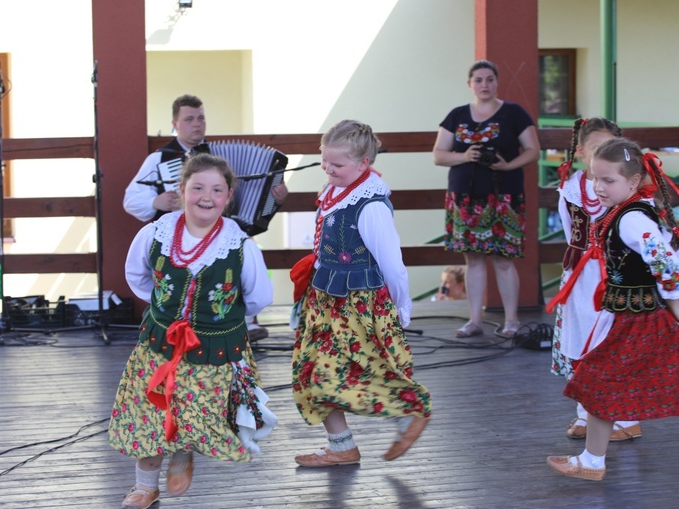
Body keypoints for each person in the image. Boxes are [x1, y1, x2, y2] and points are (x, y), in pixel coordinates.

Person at [110, 153, 277, 509]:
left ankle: (184, 452)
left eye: (217, 189)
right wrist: (165, 307)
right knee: (149, 413)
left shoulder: (241, 247)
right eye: (197, 187)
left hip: (211, 351)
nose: (206, 196)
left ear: (228, 196)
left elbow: (259, 296)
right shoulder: (155, 233)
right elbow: (137, 276)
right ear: (181, 189)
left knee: (195, 413)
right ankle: (144, 485)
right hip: (159, 346)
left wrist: (220, 318)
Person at [289, 119, 431, 467]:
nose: (328, 169)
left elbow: (392, 261)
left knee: (363, 367)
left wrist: (402, 303)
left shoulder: (370, 205)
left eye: (336, 164)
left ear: (364, 163)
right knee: (313, 371)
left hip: (357, 304)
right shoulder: (336, 191)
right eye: (325, 161)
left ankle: (406, 416)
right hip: (325, 300)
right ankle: (342, 445)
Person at [547, 138, 679, 481]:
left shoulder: (632, 219)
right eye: (595, 178)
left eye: (609, 180)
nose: (598, 187)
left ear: (633, 182)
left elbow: (667, 265)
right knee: (600, 385)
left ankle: (593, 461)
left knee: (597, 383)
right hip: (625, 316)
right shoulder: (623, 212)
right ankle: (592, 460)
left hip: (638, 321)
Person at [123, 93, 286, 341]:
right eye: (189, 119)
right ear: (175, 123)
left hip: (222, 232)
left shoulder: (218, 157)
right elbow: (131, 199)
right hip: (181, 235)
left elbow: (249, 200)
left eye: (201, 118)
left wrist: (275, 197)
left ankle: (242, 319)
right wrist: (155, 202)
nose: (197, 124)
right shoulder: (161, 159)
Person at [546, 117, 643, 442]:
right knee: (580, 340)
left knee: (615, 343)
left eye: (610, 147)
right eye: (596, 148)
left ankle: (627, 418)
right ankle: (587, 414)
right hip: (580, 276)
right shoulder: (571, 187)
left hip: (617, 276)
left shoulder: (629, 189)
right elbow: (570, 227)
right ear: (581, 152)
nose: (603, 153)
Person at [433, 59, 540, 339]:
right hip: (466, 198)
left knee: (504, 260)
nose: (484, 85)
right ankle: (475, 321)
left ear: (497, 81)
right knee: (474, 260)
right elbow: (439, 155)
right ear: (469, 84)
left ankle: (512, 321)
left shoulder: (514, 113)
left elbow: (533, 150)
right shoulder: (456, 115)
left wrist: (508, 166)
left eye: (489, 79)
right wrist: (465, 156)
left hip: (505, 195)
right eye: (478, 80)